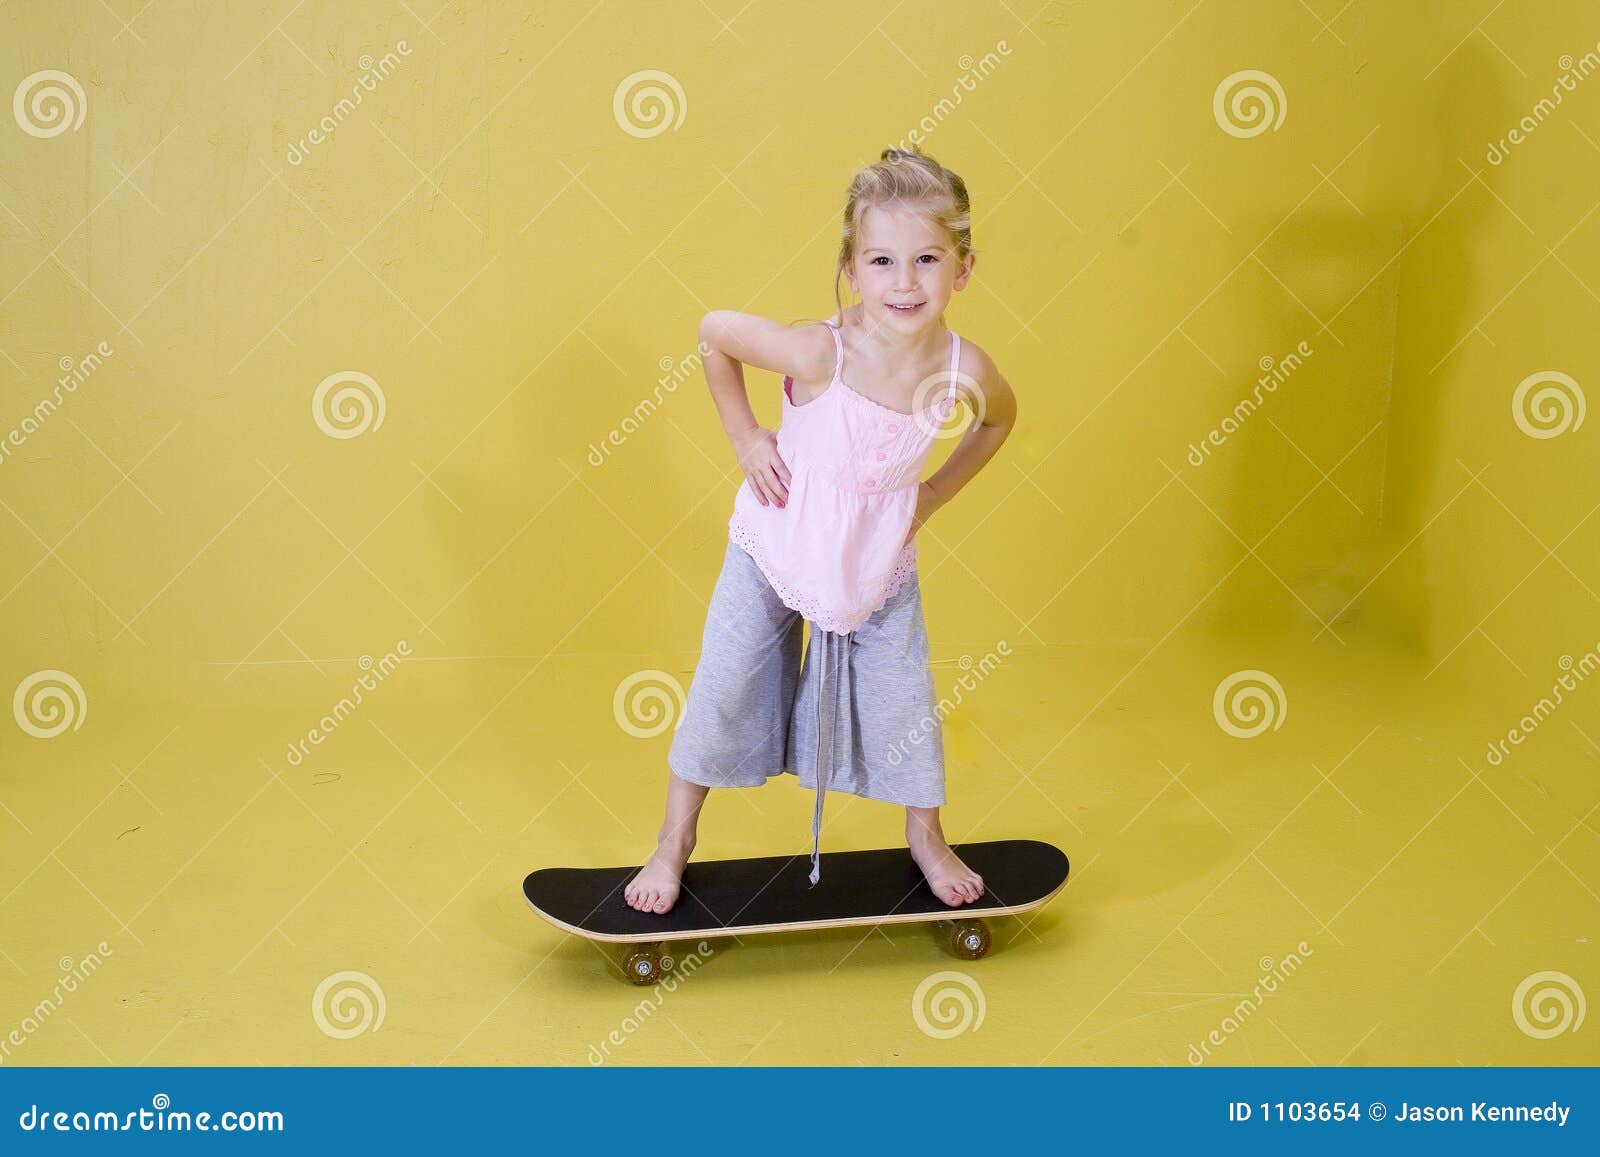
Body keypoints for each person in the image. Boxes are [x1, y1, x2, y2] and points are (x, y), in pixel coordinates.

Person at [624, 146, 1017, 914]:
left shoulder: (964, 369)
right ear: (851, 268)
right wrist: (746, 437)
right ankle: (673, 842)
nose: (904, 282)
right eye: (881, 260)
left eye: (927, 259)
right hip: (775, 544)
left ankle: (926, 836)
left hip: (877, 562)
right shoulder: (818, 350)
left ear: (963, 268)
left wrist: (931, 494)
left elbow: (999, 421)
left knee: (907, 700)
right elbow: (714, 333)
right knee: (726, 683)